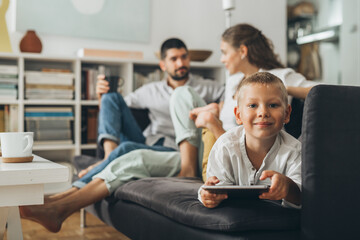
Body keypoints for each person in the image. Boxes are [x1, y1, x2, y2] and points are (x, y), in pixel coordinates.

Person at [75, 37, 224, 187]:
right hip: (149, 141)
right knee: (110, 97)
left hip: (176, 150)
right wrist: (101, 96)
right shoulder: (150, 90)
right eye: (174, 59)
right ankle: (108, 156)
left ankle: (80, 184)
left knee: (126, 149)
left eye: (184, 57)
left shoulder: (207, 87)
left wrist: (216, 109)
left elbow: (233, 100)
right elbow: (114, 111)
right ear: (163, 65)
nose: (180, 63)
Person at [183, 23, 317, 181]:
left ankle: (188, 167)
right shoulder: (233, 81)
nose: (222, 59)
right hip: (215, 147)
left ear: (242, 51)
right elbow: (230, 116)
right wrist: (215, 109)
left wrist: (280, 89)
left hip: (232, 156)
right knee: (183, 93)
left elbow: (322, 92)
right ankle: (187, 165)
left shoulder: (280, 75)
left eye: (224, 52)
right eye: (253, 104)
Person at [199, 72, 301, 208]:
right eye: (253, 105)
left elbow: (303, 197)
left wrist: (288, 187)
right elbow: (214, 188)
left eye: (273, 105)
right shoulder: (225, 146)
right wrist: (208, 196)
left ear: (287, 114)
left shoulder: (295, 151)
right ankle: (208, 120)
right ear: (238, 115)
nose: (263, 112)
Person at [20, 149, 181, 233]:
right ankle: (58, 199)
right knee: (110, 98)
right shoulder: (149, 93)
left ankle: (59, 206)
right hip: (159, 140)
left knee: (133, 155)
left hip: (179, 148)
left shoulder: (198, 90)